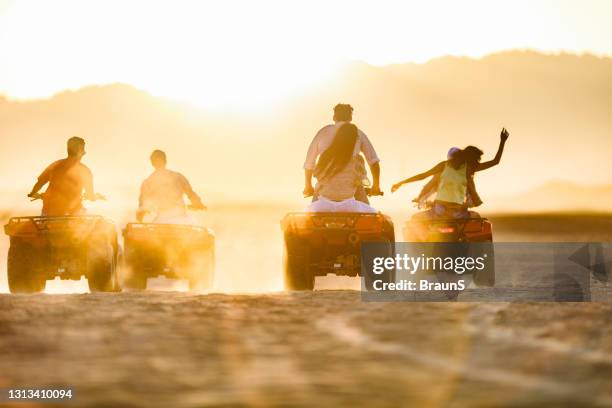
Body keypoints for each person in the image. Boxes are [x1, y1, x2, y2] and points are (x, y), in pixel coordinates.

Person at [391, 128, 509, 218]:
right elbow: (495, 162)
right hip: (458, 212)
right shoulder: (469, 169)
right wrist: (502, 141)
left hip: (439, 210)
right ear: (471, 159)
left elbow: (423, 175)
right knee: (476, 220)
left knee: (417, 221)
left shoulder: (444, 165)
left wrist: (401, 183)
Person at [303, 104, 381, 203]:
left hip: (324, 188)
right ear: (350, 117)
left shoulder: (323, 132)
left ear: (334, 117)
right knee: (367, 214)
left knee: (311, 214)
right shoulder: (358, 133)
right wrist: (376, 187)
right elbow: (374, 162)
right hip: (353, 190)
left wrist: (308, 186)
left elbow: (309, 164)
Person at [306, 123, 377, 213]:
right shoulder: (357, 160)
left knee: (307, 217)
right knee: (374, 216)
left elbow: (317, 175)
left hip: (323, 205)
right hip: (348, 206)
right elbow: (361, 181)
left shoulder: (325, 156)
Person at [28, 136, 104, 216]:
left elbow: (39, 183)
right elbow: (90, 195)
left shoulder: (55, 165)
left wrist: (33, 193)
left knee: (44, 223)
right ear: (80, 151)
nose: (85, 152)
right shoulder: (85, 170)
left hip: (49, 211)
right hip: (73, 213)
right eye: (83, 149)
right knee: (84, 223)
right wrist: (96, 197)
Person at [137, 150, 206, 224]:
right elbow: (191, 193)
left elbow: (142, 204)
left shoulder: (147, 182)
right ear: (165, 161)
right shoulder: (178, 177)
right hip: (180, 217)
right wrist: (198, 204)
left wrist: (141, 213)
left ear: (152, 163)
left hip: (161, 219)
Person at [413, 147, 482, 209]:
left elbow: (427, 185)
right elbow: (428, 185)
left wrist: (420, 198)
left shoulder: (464, 172)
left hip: (446, 208)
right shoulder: (462, 173)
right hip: (449, 208)